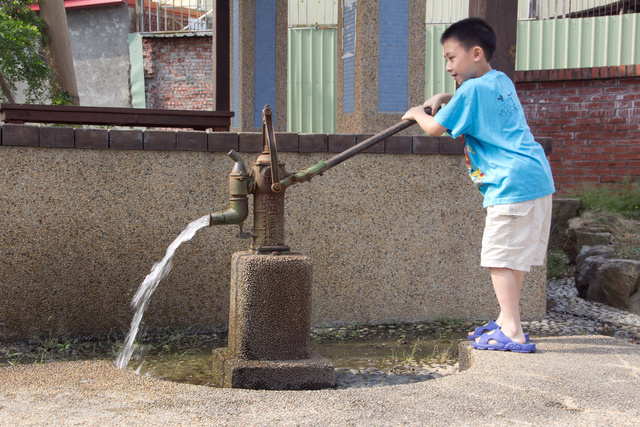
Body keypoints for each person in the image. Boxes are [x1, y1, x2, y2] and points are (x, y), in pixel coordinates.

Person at [402, 17, 555, 353]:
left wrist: (416, 113)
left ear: (475, 53)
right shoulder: (499, 80)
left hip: (511, 184)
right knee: (513, 258)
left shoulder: (472, 90)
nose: (448, 66)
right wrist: (445, 94)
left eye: (451, 57)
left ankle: (513, 330)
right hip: (536, 178)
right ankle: (505, 320)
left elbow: (434, 128)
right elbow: (465, 97)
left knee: (499, 257)